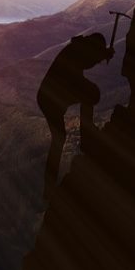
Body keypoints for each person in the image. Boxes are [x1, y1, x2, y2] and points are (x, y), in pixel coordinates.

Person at [37, 33, 113, 201]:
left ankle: (48, 187)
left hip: (50, 96)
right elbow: (86, 60)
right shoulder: (77, 52)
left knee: (90, 94)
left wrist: (102, 54)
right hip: (52, 98)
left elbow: (86, 60)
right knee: (91, 95)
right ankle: (86, 136)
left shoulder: (77, 48)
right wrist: (103, 55)